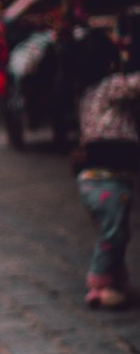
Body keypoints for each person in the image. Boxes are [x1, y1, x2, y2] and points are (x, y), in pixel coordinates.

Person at [71, 29, 140, 310]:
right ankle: (100, 285)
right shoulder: (112, 87)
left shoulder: (87, 95)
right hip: (107, 177)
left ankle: (116, 279)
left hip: (97, 178)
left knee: (116, 229)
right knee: (113, 232)